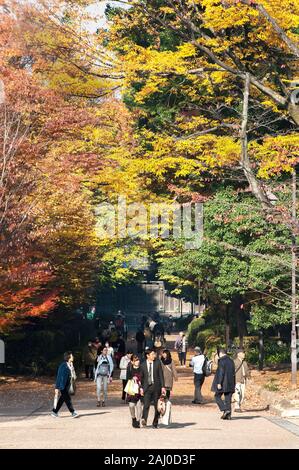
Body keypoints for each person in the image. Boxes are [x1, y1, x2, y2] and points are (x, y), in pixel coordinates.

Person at [140, 349, 166, 429]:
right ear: (147, 355)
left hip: (156, 387)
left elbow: (161, 375)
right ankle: (144, 420)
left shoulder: (157, 363)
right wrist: (141, 388)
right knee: (146, 405)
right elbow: (141, 377)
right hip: (146, 388)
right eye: (152, 354)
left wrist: (163, 387)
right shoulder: (143, 365)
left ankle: (155, 422)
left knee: (156, 406)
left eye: (154, 354)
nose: (154, 356)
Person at [51, 352, 78, 418]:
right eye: (72, 356)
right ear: (68, 357)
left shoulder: (71, 365)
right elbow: (59, 377)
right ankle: (73, 412)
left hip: (68, 385)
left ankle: (54, 411)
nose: (73, 357)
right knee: (67, 399)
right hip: (62, 386)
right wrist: (56, 388)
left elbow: (73, 375)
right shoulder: (63, 366)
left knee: (62, 399)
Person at [211, 348, 236, 420]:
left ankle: (225, 409)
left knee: (217, 396)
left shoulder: (221, 361)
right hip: (230, 382)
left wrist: (219, 383)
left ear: (220, 353)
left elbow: (221, 372)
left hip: (223, 383)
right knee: (228, 399)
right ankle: (228, 415)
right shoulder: (231, 361)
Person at [126, 355, 143, 428]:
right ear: (132, 362)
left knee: (139, 406)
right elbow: (127, 378)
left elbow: (144, 378)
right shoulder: (129, 368)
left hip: (139, 389)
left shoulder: (142, 368)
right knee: (131, 405)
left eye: (138, 360)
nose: (137, 361)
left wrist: (141, 386)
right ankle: (133, 418)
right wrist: (132, 378)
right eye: (136, 360)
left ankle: (138, 421)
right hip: (132, 389)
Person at [233, 348, 250, 412]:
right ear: (238, 354)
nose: (244, 354)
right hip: (237, 380)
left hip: (243, 380)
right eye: (242, 353)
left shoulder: (244, 362)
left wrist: (248, 377)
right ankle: (236, 407)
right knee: (237, 393)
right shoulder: (235, 362)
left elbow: (247, 371)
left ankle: (239, 405)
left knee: (242, 394)